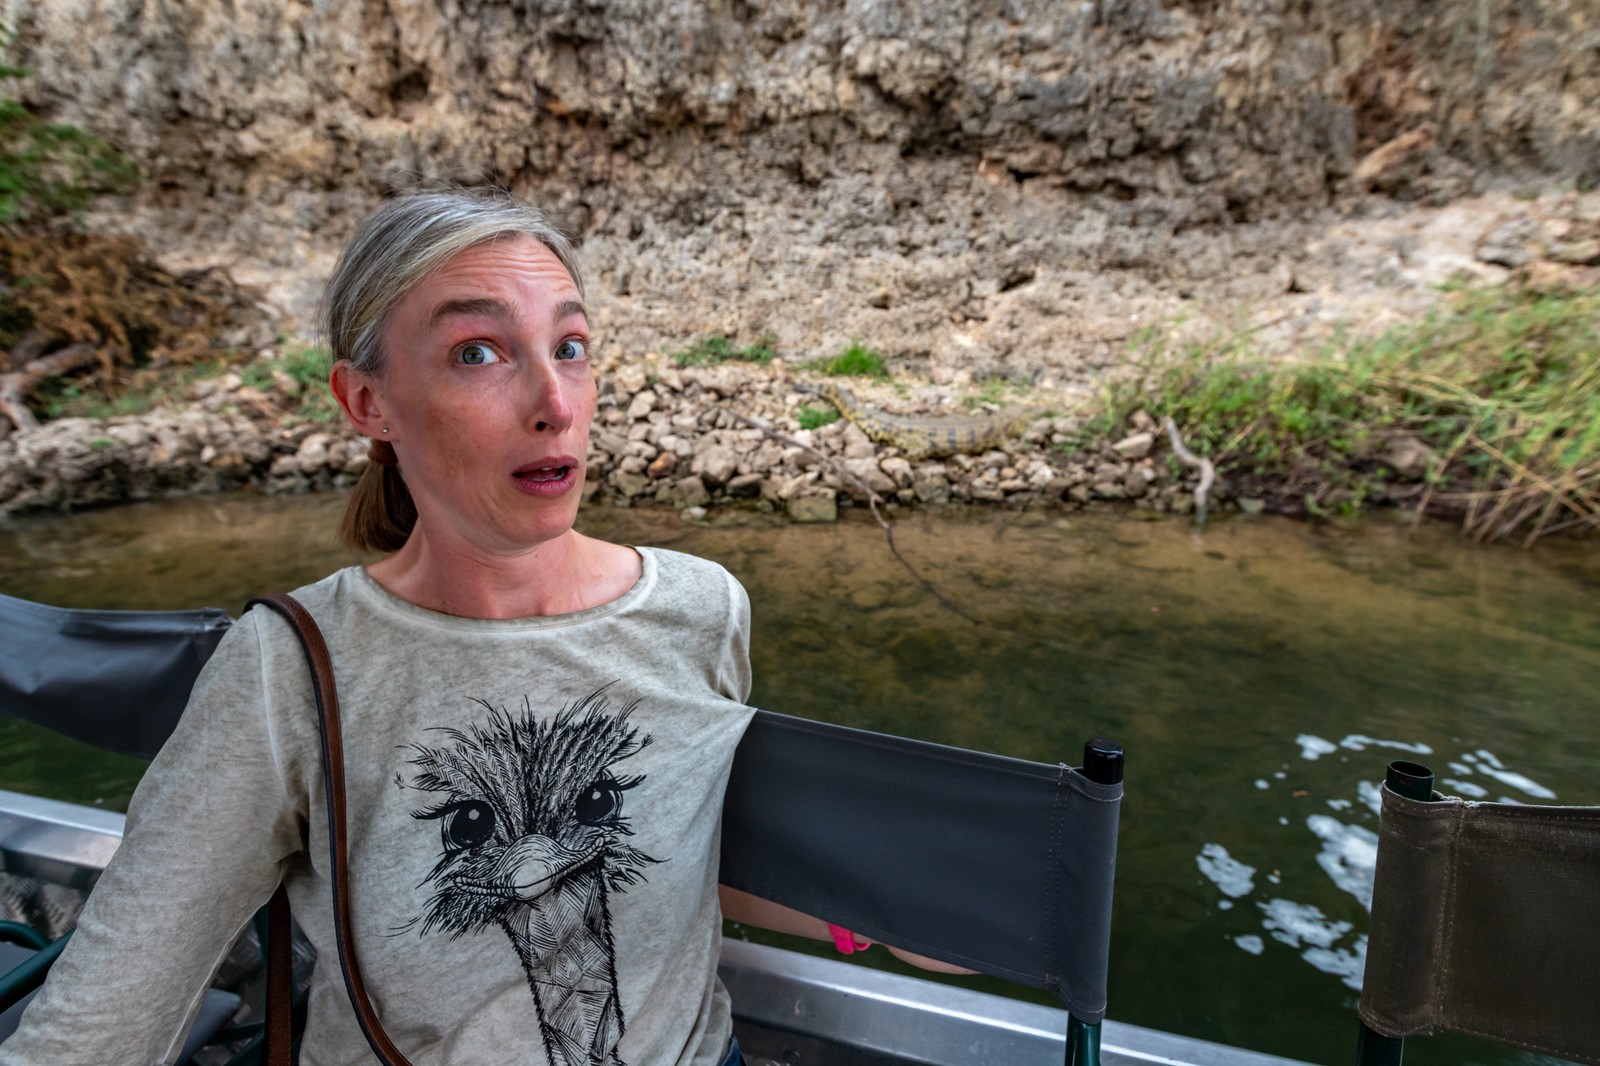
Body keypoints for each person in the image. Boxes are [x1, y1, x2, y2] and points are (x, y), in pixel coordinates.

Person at [0, 187, 954, 1066]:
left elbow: (672, 850)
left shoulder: (702, 609)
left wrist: (868, 910)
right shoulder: (289, 668)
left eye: (570, 346)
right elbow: (107, 1012)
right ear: (367, 402)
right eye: (478, 353)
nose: (556, 404)